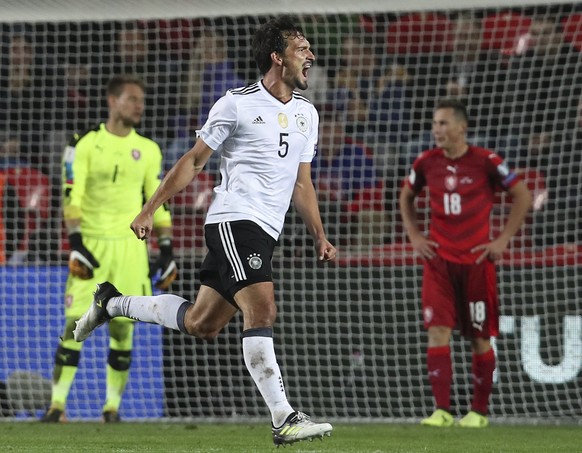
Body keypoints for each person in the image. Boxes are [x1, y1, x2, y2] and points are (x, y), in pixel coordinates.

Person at [73, 17, 335, 446]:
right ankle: (282, 417)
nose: (311, 55)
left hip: (267, 230)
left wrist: (319, 235)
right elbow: (194, 161)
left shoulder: (307, 112)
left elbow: (301, 182)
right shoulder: (236, 103)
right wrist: (148, 210)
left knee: (201, 323)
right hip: (235, 219)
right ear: (277, 56)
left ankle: (112, 302)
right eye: (302, 48)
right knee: (263, 310)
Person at [41, 74, 176, 423]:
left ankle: (112, 408)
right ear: (112, 101)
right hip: (92, 246)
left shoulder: (149, 149)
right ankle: (57, 406)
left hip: (132, 249)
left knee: (122, 326)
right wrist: (75, 243)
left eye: (141, 100)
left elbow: (157, 201)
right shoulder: (83, 143)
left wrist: (166, 247)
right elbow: (72, 195)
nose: (139, 106)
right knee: (76, 321)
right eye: (131, 99)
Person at [399, 99, 532, 428]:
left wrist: (501, 240)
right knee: (437, 332)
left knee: (479, 338)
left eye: (443, 124)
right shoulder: (426, 162)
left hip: (476, 262)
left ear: (462, 127)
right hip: (439, 262)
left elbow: (523, 195)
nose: (437, 130)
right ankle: (442, 411)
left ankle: (479, 413)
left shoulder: (486, 161)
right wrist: (415, 235)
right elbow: (405, 196)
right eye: (434, 124)